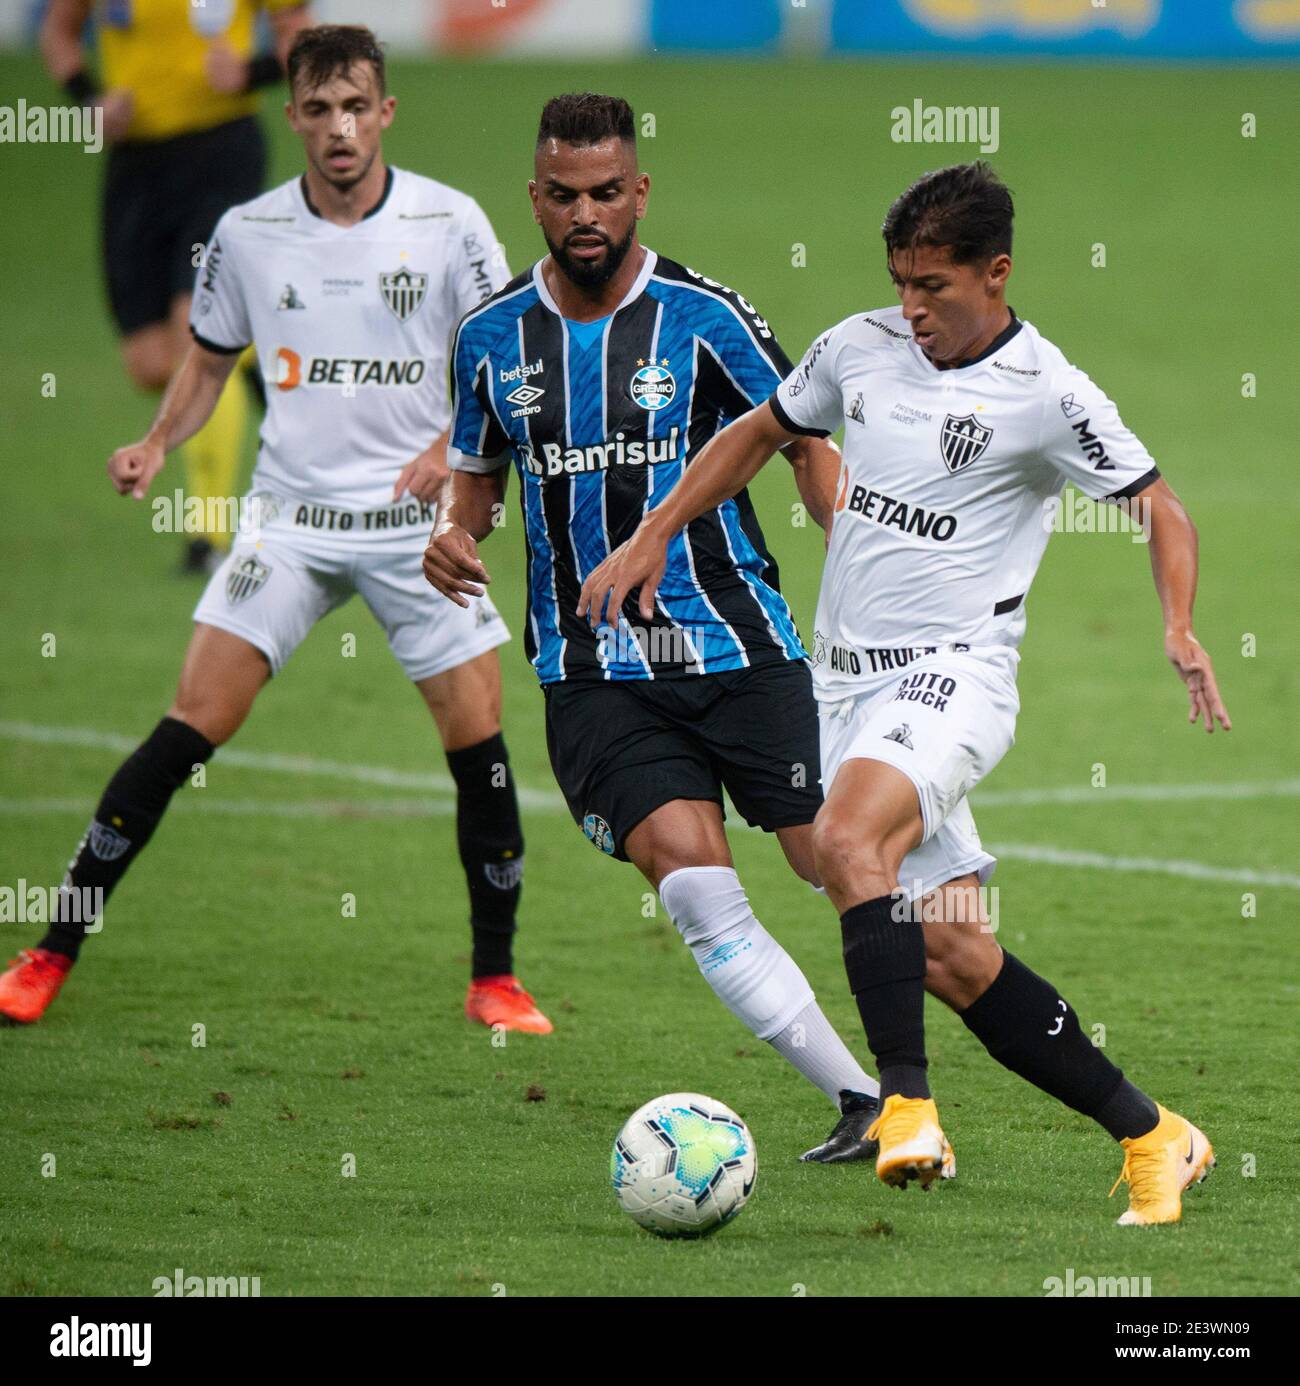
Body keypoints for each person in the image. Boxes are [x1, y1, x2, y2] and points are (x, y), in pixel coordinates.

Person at [579, 162, 1230, 1223]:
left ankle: (907, 1108)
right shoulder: (857, 347)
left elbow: (1161, 507)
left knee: (842, 843)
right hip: (844, 689)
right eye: (900, 282)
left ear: (996, 272)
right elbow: (761, 432)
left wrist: (1177, 625)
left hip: (957, 678)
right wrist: (654, 533)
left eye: (934, 285)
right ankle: (1158, 1137)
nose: (913, 307)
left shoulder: (1046, 393)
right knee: (955, 954)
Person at [0, 25, 550, 1036]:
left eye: (357, 107)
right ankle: (45, 951)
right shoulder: (247, 233)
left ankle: (496, 979)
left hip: (412, 533)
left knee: (479, 745)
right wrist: (158, 442)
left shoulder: (451, 223)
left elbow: (504, 365)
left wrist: (448, 449)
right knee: (186, 726)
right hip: (289, 523)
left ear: (385, 112)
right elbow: (209, 361)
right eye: (319, 109)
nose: (339, 129)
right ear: (291, 116)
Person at [424, 93, 905, 1165]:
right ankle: (865, 1100)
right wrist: (454, 538)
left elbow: (801, 439)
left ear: (638, 191)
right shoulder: (490, 337)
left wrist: (855, 549)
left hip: (740, 649)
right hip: (592, 673)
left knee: (832, 858)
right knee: (691, 880)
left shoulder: (707, 317)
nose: (584, 213)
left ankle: (963, 1005)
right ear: (535, 198)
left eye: (605, 193)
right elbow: (475, 482)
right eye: (563, 195)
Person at [40, 0, 314, 572]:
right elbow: (59, 30)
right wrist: (88, 99)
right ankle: (270, 361)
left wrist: (251, 71)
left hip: (221, 150)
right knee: (150, 365)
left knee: (197, 329)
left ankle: (208, 540)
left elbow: (300, 34)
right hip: (135, 165)